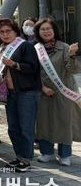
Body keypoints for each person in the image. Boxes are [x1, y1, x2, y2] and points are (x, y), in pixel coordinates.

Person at [34, 19, 81, 167]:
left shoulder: (65, 47)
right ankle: (46, 152)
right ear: (38, 32)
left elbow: (73, 70)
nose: (46, 32)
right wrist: (42, 87)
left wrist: (72, 55)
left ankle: (65, 154)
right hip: (43, 92)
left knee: (64, 122)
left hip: (64, 91)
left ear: (54, 30)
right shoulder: (35, 49)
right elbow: (33, 72)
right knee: (44, 122)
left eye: (49, 28)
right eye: (42, 29)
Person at [0, 18, 40, 172]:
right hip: (10, 94)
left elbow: (33, 68)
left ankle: (26, 160)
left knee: (25, 128)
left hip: (26, 92)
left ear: (15, 31)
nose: (5, 34)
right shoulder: (2, 47)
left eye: (8, 31)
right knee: (13, 128)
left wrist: (15, 64)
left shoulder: (25, 46)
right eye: (2, 32)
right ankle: (19, 156)